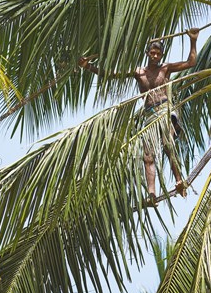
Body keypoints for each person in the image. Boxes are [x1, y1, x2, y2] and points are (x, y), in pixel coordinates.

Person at [79, 28, 199, 206]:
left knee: (167, 145)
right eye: (152, 53)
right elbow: (111, 74)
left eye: (158, 54)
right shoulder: (139, 73)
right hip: (149, 114)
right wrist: (88, 66)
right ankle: (151, 195)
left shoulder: (166, 69)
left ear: (162, 55)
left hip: (165, 111)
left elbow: (191, 63)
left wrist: (193, 40)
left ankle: (179, 180)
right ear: (147, 53)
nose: (155, 56)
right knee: (148, 157)